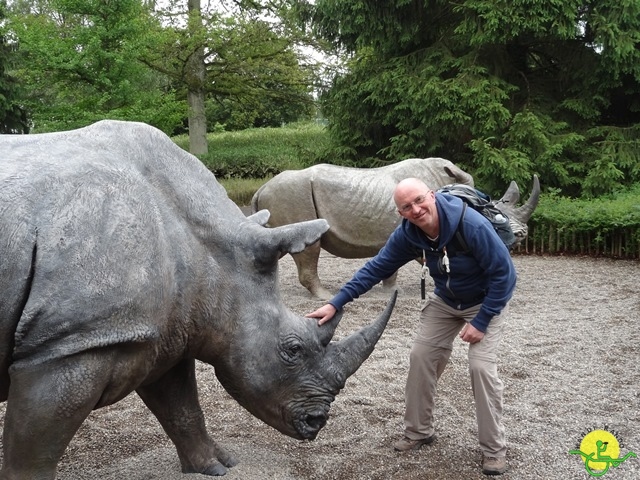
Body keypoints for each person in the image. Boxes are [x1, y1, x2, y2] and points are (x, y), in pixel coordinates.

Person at [305, 177, 516, 476]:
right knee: (421, 357)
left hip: (485, 302)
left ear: (431, 196)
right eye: (407, 207)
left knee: (481, 368)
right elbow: (376, 267)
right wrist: (336, 302)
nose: (416, 210)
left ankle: (494, 450)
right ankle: (418, 431)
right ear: (401, 213)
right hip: (446, 301)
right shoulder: (409, 234)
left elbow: (505, 276)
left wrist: (481, 321)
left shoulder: (471, 226)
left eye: (419, 200)